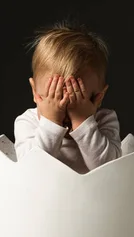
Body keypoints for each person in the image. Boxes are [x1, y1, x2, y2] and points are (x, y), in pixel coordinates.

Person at [14, 21, 122, 174]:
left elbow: (110, 170)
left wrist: (82, 122)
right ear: (35, 93)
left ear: (98, 98)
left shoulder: (104, 120)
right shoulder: (28, 122)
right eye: (51, 98)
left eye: (75, 103)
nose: (62, 112)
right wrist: (50, 123)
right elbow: (30, 169)